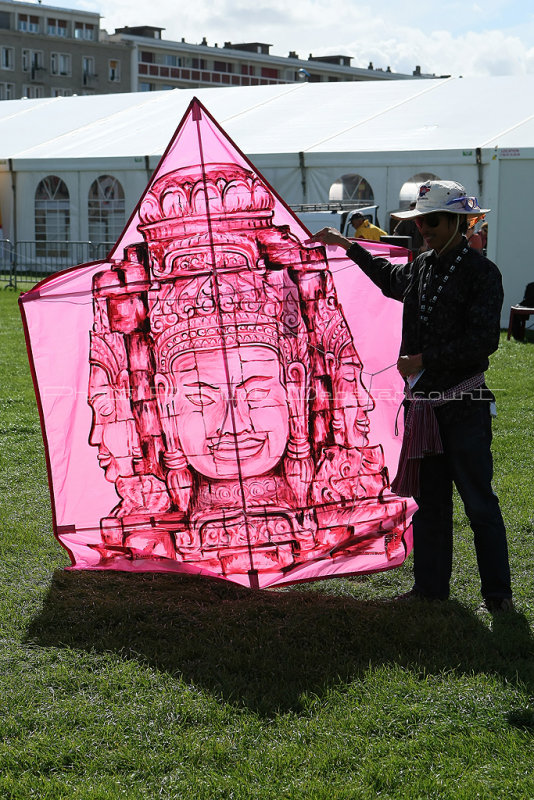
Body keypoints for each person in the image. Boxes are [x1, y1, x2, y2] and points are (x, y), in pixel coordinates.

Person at [311, 180, 513, 613]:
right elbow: (389, 280)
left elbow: (483, 342)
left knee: (479, 503)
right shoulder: (422, 266)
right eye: (420, 220)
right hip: (426, 408)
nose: (425, 227)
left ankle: (498, 596)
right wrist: (348, 244)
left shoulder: (483, 273)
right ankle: (431, 589)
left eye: (433, 220)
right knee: (430, 503)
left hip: (464, 408)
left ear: (459, 222)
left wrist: (424, 359)